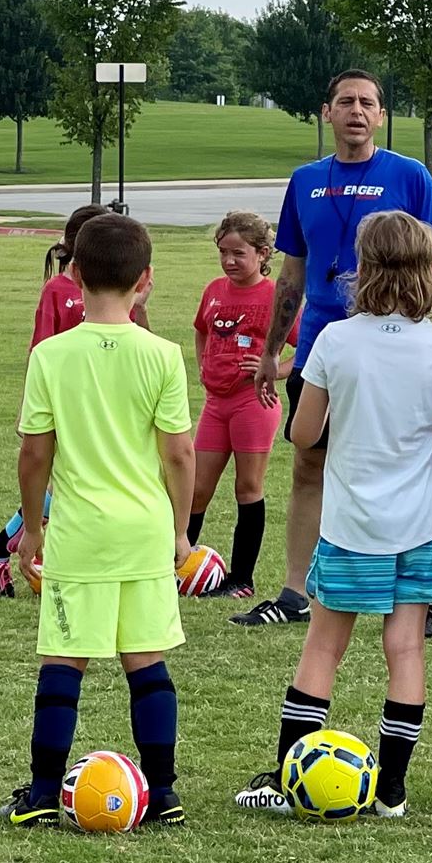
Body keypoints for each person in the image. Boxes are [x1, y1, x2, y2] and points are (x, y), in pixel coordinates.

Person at [235, 212, 432, 819]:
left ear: (360, 268)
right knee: (406, 648)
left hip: (352, 525)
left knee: (323, 647)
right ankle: (392, 791)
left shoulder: (336, 341)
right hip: (427, 522)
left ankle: (288, 783)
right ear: (428, 271)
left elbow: (303, 433)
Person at [235, 69, 432, 632]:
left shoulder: (409, 176)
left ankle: (427, 596)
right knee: (308, 462)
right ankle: (295, 592)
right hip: (324, 345)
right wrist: (271, 351)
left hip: (399, 347)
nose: (356, 111)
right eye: (345, 101)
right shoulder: (305, 180)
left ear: (381, 116)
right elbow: (292, 272)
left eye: (367, 103)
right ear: (327, 112)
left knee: (407, 462)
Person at [5, 212, 194, 829]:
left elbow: (35, 455)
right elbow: (179, 453)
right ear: (146, 279)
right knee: (147, 661)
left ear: (76, 274)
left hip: (80, 536)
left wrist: (32, 528)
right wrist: (179, 529)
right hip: (143, 533)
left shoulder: (51, 356)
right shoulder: (163, 355)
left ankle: (42, 793)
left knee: (65, 662)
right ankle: (163, 793)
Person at [0, 203, 150, 596]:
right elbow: (40, 348)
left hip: (104, 403)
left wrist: (139, 308)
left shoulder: (121, 292)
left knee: (72, 486)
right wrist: (29, 406)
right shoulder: (57, 290)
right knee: (62, 485)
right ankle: (6, 548)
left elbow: (137, 340)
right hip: (65, 402)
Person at [186, 210, 282, 598]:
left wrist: (273, 369)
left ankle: (241, 578)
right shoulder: (214, 290)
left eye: (238, 253)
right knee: (195, 488)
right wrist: (204, 365)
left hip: (253, 403)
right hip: (216, 403)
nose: (229, 261)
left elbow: (308, 347)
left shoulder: (275, 295)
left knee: (247, 486)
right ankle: (178, 564)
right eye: (223, 252)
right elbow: (201, 331)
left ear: (262, 254)